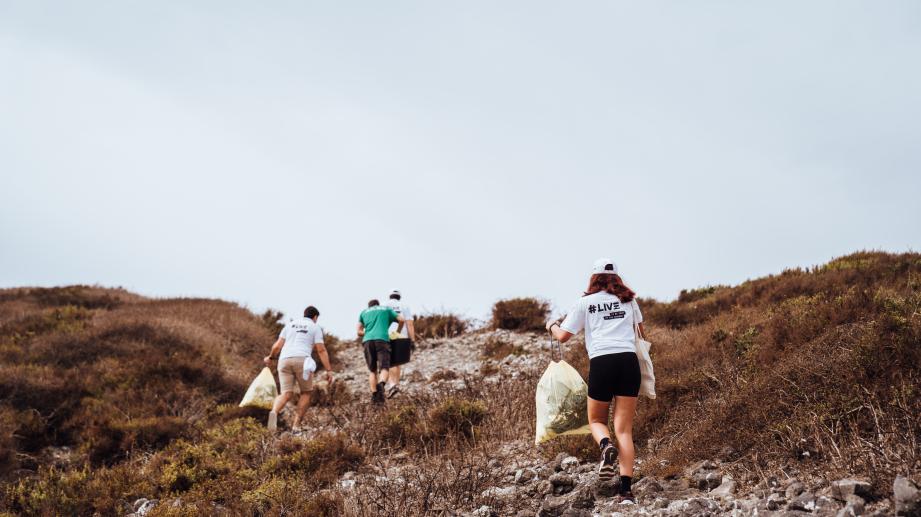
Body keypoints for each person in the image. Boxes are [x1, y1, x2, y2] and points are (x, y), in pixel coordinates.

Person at [546, 258, 646, 504]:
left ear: (594, 278)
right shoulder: (629, 300)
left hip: (602, 362)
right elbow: (642, 334)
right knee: (624, 429)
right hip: (628, 362)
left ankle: (604, 446)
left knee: (596, 420)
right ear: (616, 278)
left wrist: (551, 325)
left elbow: (563, 337)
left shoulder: (585, 303)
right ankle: (626, 492)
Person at [263, 306, 333, 431]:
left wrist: (271, 357)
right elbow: (321, 349)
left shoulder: (290, 325)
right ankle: (296, 425)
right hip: (302, 360)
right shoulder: (315, 327)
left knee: (285, 393)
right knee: (306, 392)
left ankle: (274, 411)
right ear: (315, 317)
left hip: (284, 360)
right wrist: (328, 370)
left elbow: (277, 346)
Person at [357, 299, 405, 403]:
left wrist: (368, 332)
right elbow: (401, 320)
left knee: (372, 370)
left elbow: (359, 331)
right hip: (382, 340)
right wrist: (397, 332)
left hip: (367, 341)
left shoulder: (364, 312)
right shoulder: (386, 309)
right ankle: (382, 384)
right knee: (384, 367)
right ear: (378, 304)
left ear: (369, 306)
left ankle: (375, 395)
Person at [384, 289, 415, 398]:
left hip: (387, 334)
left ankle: (393, 386)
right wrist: (412, 340)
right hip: (402, 335)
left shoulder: (385, 305)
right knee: (397, 362)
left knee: (390, 362)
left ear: (390, 296)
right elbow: (410, 324)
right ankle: (396, 385)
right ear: (399, 297)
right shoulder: (404, 306)